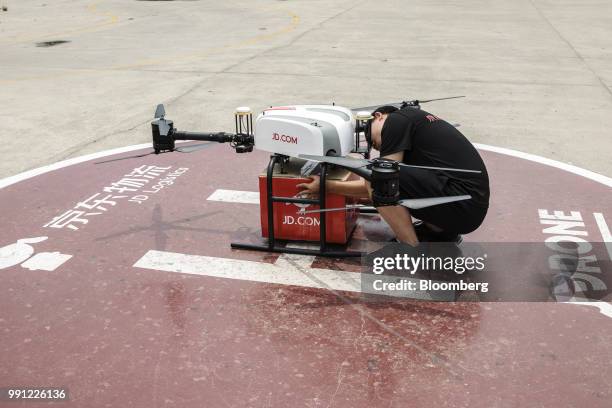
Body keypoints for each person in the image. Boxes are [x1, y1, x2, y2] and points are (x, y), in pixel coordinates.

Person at [297, 105, 490, 245]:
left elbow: (381, 181)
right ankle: (439, 232)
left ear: (379, 116)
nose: (376, 147)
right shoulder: (416, 124)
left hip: (462, 204)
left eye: (373, 139)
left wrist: (329, 185)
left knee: (379, 175)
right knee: (381, 181)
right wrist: (328, 186)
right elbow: (377, 192)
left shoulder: (397, 120)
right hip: (468, 210)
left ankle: (410, 252)